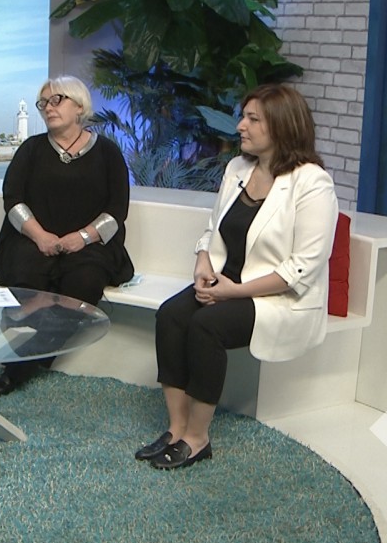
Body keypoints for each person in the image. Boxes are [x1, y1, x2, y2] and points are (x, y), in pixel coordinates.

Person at [137, 83, 338, 469]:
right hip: (226, 281)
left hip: (276, 296)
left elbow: (303, 266)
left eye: (252, 119)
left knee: (205, 326)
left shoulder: (312, 182)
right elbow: (213, 229)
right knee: (171, 315)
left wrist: (233, 292)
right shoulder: (238, 169)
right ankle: (176, 428)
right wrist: (202, 265)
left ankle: (198, 438)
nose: (240, 126)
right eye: (243, 117)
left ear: (282, 126)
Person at [0, 75, 135, 396]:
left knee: (84, 281)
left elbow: (116, 211)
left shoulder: (108, 153)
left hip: (90, 244)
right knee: (24, 274)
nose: (48, 108)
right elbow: (13, 201)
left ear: (79, 106)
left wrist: (81, 237)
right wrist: (40, 236)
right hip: (32, 239)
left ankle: (22, 365)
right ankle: (28, 361)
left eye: (57, 100)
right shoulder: (31, 150)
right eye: (43, 103)